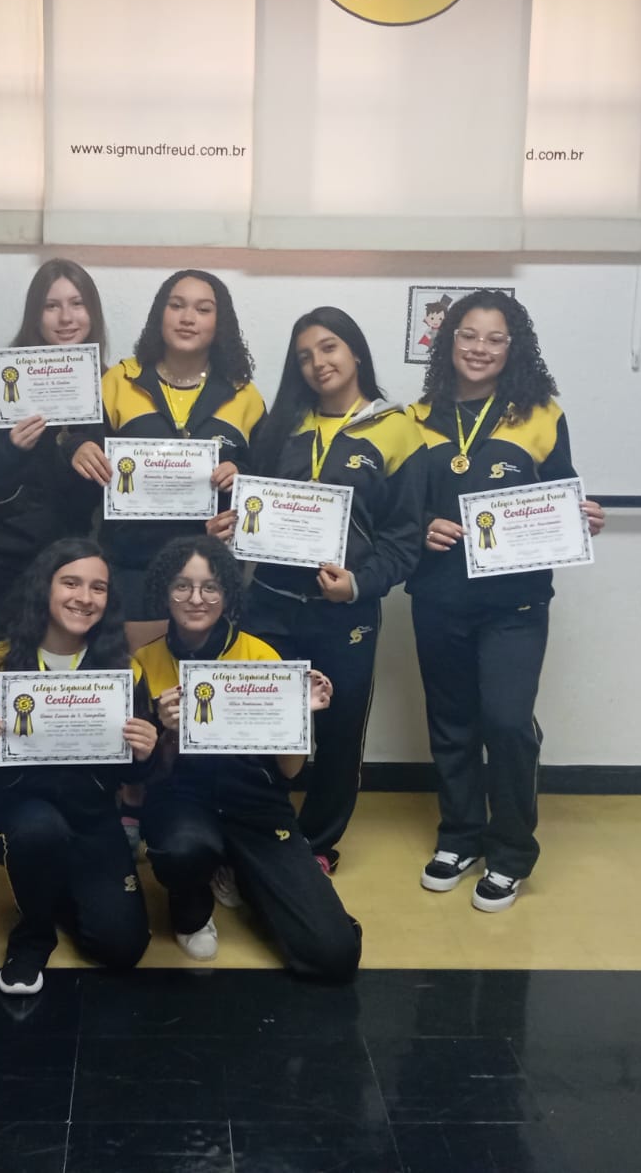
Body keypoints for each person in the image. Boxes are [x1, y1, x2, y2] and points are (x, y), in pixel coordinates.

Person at [408, 290, 606, 912]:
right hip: (437, 595)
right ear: (448, 341)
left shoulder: (541, 414)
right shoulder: (416, 417)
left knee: (507, 721)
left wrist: (582, 518)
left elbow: (561, 497)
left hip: (515, 603)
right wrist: (421, 528)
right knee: (451, 723)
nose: (480, 348)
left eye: (495, 339)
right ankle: (460, 836)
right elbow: (395, 509)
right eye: (468, 335)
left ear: (513, 347)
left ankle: (512, 851)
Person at [211, 307, 426, 875]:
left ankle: (319, 846)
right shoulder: (282, 425)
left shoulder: (397, 429)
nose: (318, 363)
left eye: (329, 347)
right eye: (304, 356)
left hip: (345, 614)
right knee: (257, 723)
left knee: (337, 731)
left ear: (355, 351)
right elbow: (251, 506)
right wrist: (229, 525)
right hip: (270, 604)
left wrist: (357, 584)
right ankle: (255, 835)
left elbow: (404, 539)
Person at [134, 536, 361, 980]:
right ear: (165, 591)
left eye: (210, 587)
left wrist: (299, 717)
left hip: (256, 805)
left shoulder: (261, 655)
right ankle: (191, 905)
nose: (196, 599)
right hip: (182, 804)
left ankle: (242, 870)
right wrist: (165, 730)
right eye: (182, 586)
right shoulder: (144, 661)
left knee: (334, 955)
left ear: (228, 594)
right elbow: (146, 778)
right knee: (184, 848)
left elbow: (289, 771)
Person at [0, 538, 157, 995]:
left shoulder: (124, 670)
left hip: (90, 817)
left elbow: (131, 776)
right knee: (40, 830)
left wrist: (144, 754)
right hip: (13, 813)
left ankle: (52, 887)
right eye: (70, 583)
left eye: (98, 588)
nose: (84, 598)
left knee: (121, 949)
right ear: (44, 587)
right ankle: (33, 934)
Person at [66, 269, 265, 651]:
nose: (188, 318)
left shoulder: (245, 395)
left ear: (220, 322)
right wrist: (76, 447)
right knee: (133, 678)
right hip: (129, 569)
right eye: (177, 306)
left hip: (208, 579)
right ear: (160, 314)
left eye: (203, 309)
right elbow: (80, 451)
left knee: (199, 679)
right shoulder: (119, 381)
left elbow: (265, 480)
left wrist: (241, 475)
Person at [0, 259, 107, 655]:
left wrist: (77, 446)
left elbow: (117, 479)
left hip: (67, 561)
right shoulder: (2, 374)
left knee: (56, 672)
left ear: (92, 311)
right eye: (51, 305)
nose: (66, 318)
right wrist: (10, 448)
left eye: (77, 303)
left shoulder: (108, 381)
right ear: (35, 314)